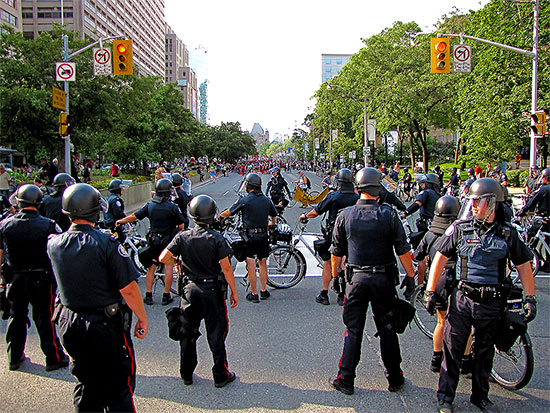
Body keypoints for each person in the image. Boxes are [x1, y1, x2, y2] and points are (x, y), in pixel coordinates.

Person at [426, 178, 536, 413]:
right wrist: (430, 291)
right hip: (463, 299)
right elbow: (440, 258)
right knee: (452, 351)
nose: (473, 205)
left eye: (478, 201)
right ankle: (445, 397)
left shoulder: (507, 234)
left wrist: (530, 297)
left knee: (485, 353)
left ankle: (480, 397)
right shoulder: (460, 229)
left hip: (493, 302)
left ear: (492, 203)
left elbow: (524, 264)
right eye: (471, 201)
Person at [47, 183, 148, 411]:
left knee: (86, 382)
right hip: (102, 324)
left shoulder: (54, 244)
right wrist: (142, 317)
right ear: (95, 211)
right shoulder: (107, 243)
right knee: (117, 385)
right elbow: (129, 289)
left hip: (68, 321)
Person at [328, 167, 416, 395]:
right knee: (387, 329)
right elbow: (403, 250)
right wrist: (411, 276)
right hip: (383, 280)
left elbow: (336, 252)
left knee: (353, 329)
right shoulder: (389, 215)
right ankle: (395, 377)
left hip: (355, 279)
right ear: (378, 189)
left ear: (357, 189)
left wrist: (336, 277)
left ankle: (346, 379)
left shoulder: (345, 215)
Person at [159, 195, 238, 387]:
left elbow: (163, 258)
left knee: (187, 333)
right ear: (212, 215)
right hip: (211, 290)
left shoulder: (182, 236)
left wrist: (179, 262)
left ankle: (186, 373)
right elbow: (226, 268)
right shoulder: (217, 238)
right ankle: (220, 375)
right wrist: (234, 292)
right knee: (216, 334)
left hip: (189, 290)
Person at [0, 184, 68, 371]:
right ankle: (53, 357)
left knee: (16, 317)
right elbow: (59, 251)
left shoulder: (5, 224)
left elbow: (0, 254)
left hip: (15, 277)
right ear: (38, 202)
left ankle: (14, 357)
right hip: (41, 277)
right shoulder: (48, 225)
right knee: (44, 317)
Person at [412, 195, 474, 374]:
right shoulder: (461, 232)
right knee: (465, 323)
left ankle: (436, 358)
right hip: (458, 280)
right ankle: (465, 360)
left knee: (441, 321)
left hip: (437, 279)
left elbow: (418, 256)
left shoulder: (430, 234)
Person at [116, 178, 186, 305]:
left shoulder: (150, 206)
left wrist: (121, 221)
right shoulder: (172, 207)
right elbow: (182, 225)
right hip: (168, 241)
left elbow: (134, 216)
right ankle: (166, 295)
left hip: (153, 241)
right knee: (168, 266)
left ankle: (148, 295)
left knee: (151, 267)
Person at [299, 168, 359, 306]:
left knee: (328, 262)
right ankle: (343, 294)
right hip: (352, 234)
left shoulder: (333, 196)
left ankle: (325, 293)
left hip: (334, 234)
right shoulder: (357, 197)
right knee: (345, 262)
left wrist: (305, 215)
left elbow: (316, 212)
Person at [220, 173, 277, 303]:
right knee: (263, 263)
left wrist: (218, 217)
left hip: (249, 236)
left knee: (251, 265)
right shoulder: (266, 200)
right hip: (263, 235)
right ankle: (263, 291)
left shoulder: (245, 200)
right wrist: (270, 224)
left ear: (248, 185)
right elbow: (274, 218)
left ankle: (254, 294)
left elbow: (229, 212)